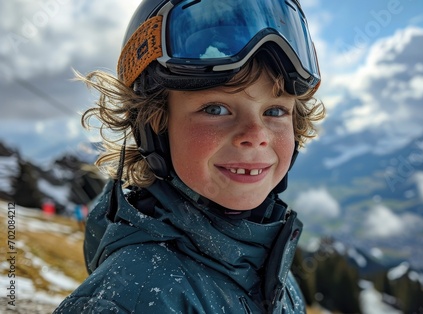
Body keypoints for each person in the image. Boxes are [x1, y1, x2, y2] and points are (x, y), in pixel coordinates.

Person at [54, 0, 325, 313]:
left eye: (275, 111)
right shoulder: (127, 301)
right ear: (155, 121)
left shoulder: (272, 272)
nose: (256, 135)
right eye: (216, 109)